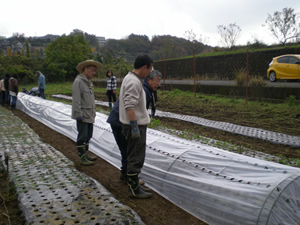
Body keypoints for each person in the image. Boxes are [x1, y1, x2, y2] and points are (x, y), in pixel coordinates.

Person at [107, 69, 161, 186]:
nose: (158, 84)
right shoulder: (143, 90)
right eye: (157, 80)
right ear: (149, 79)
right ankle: (130, 179)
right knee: (130, 151)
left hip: (120, 119)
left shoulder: (146, 89)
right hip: (119, 121)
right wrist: (134, 126)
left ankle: (126, 174)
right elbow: (133, 109)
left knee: (127, 150)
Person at [118, 54, 154, 199]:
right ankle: (134, 189)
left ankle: (134, 186)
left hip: (131, 124)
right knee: (136, 157)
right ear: (144, 67)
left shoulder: (130, 78)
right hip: (135, 125)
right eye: (150, 69)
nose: (150, 72)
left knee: (132, 155)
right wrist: (134, 127)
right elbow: (129, 105)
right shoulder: (134, 82)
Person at [71, 59, 102, 166]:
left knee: (88, 136)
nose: (93, 73)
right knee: (82, 137)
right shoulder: (78, 82)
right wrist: (78, 113)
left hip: (90, 114)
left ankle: (86, 154)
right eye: (92, 70)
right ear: (85, 69)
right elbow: (76, 100)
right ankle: (82, 158)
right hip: (83, 115)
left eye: (95, 71)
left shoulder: (88, 82)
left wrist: (94, 112)